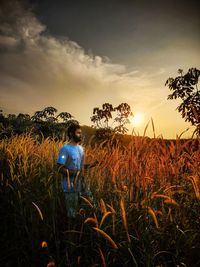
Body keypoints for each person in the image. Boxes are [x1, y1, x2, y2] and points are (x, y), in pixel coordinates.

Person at [56, 123, 98, 219]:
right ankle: (72, 230)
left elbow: (81, 166)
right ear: (71, 134)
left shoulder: (80, 149)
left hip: (82, 184)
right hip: (70, 187)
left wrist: (93, 165)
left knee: (91, 206)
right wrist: (76, 173)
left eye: (81, 133)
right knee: (72, 214)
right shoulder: (65, 149)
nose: (80, 135)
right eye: (78, 133)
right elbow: (60, 168)